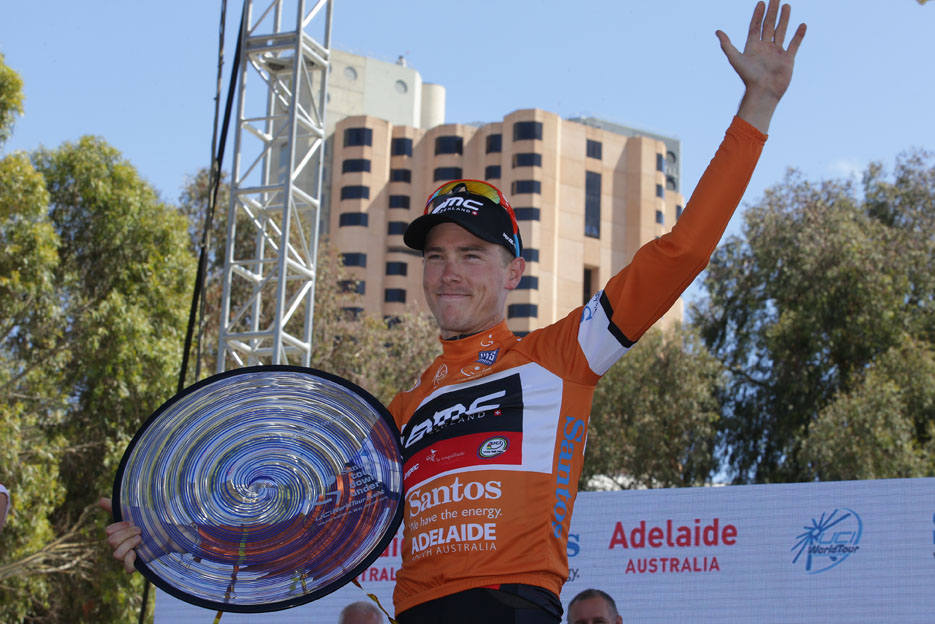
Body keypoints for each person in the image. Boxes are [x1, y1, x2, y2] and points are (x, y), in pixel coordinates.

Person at [101, 2, 805, 622]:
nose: (450, 271)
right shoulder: (400, 412)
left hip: (511, 604)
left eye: (472, 254)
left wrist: (756, 113)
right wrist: (172, 540)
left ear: (512, 272)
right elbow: (309, 530)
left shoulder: (563, 357)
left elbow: (678, 254)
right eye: (436, 256)